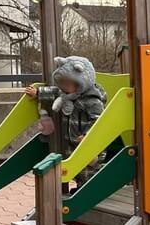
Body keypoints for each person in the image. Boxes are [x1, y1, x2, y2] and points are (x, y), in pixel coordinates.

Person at [23, 56, 107, 186]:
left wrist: (87, 135)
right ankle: (80, 187)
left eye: (68, 83)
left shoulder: (92, 100)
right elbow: (53, 92)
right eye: (61, 82)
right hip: (71, 142)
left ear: (81, 82)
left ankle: (90, 190)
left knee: (88, 169)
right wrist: (38, 93)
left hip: (86, 142)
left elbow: (98, 120)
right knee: (76, 170)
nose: (64, 87)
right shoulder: (65, 94)